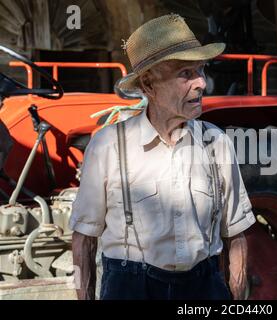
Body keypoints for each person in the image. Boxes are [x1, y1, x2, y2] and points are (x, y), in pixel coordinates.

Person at [69, 13, 256, 300]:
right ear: (148, 85)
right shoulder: (109, 145)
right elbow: (84, 240)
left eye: (201, 71)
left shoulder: (216, 142)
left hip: (203, 286)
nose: (202, 84)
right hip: (131, 287)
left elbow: (236, 233)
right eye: (185, 74)